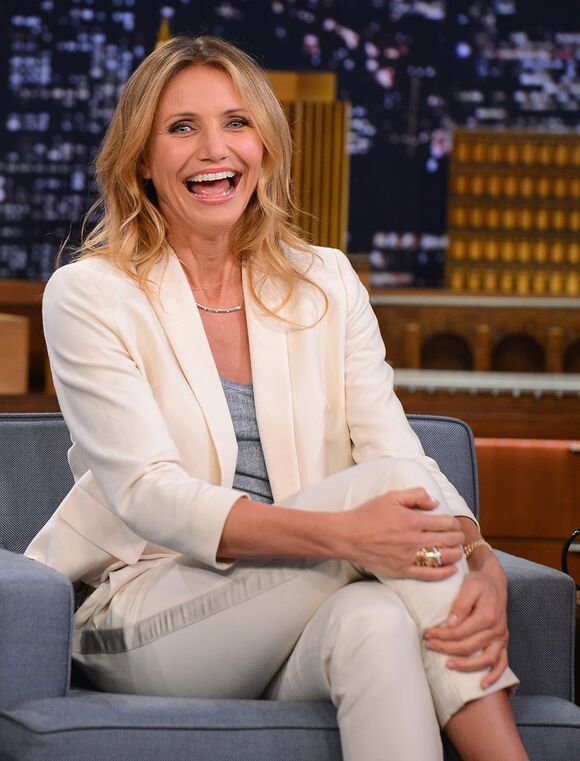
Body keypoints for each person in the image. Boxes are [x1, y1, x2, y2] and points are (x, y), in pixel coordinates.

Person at [26, 36, 528, 761]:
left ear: (265, 146)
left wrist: (480, 562)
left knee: (376, 622)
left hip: (305, 601)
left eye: (236, 122)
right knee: (386, 497)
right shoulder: (90, 294)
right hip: (147, 615)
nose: (214, 149)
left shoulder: (325, 280)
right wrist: (347, 537)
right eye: (181, 127)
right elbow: (149, 494)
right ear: (141, 160)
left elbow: (395, 449)